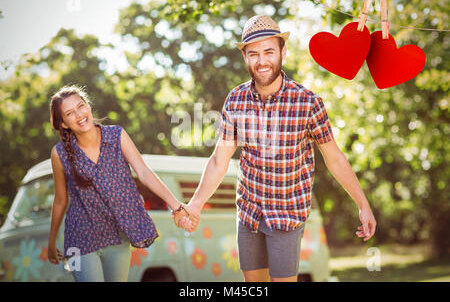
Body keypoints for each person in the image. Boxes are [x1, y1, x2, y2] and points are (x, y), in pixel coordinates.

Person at [180, 15, 377, 282]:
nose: (261, 61)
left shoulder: (308, 102)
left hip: (287, 213)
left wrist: (362, 204)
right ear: (245, 58)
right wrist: (195, 205)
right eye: (253, 54)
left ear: (283, 51)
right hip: (249, 213)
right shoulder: (236, 100)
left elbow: (334, 159)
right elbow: (219, 160)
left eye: (269, 52)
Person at [47, 85, 197, 282]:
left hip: (117, 235)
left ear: (88, 106)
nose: (79, 114)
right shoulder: (59, 154)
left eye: (81, 106)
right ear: (64, 123)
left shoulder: (116, 136)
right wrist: (51, 242)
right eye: (69, 113)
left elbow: (143, 172)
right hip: (79, 238)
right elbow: (60, 201)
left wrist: (177, 205)